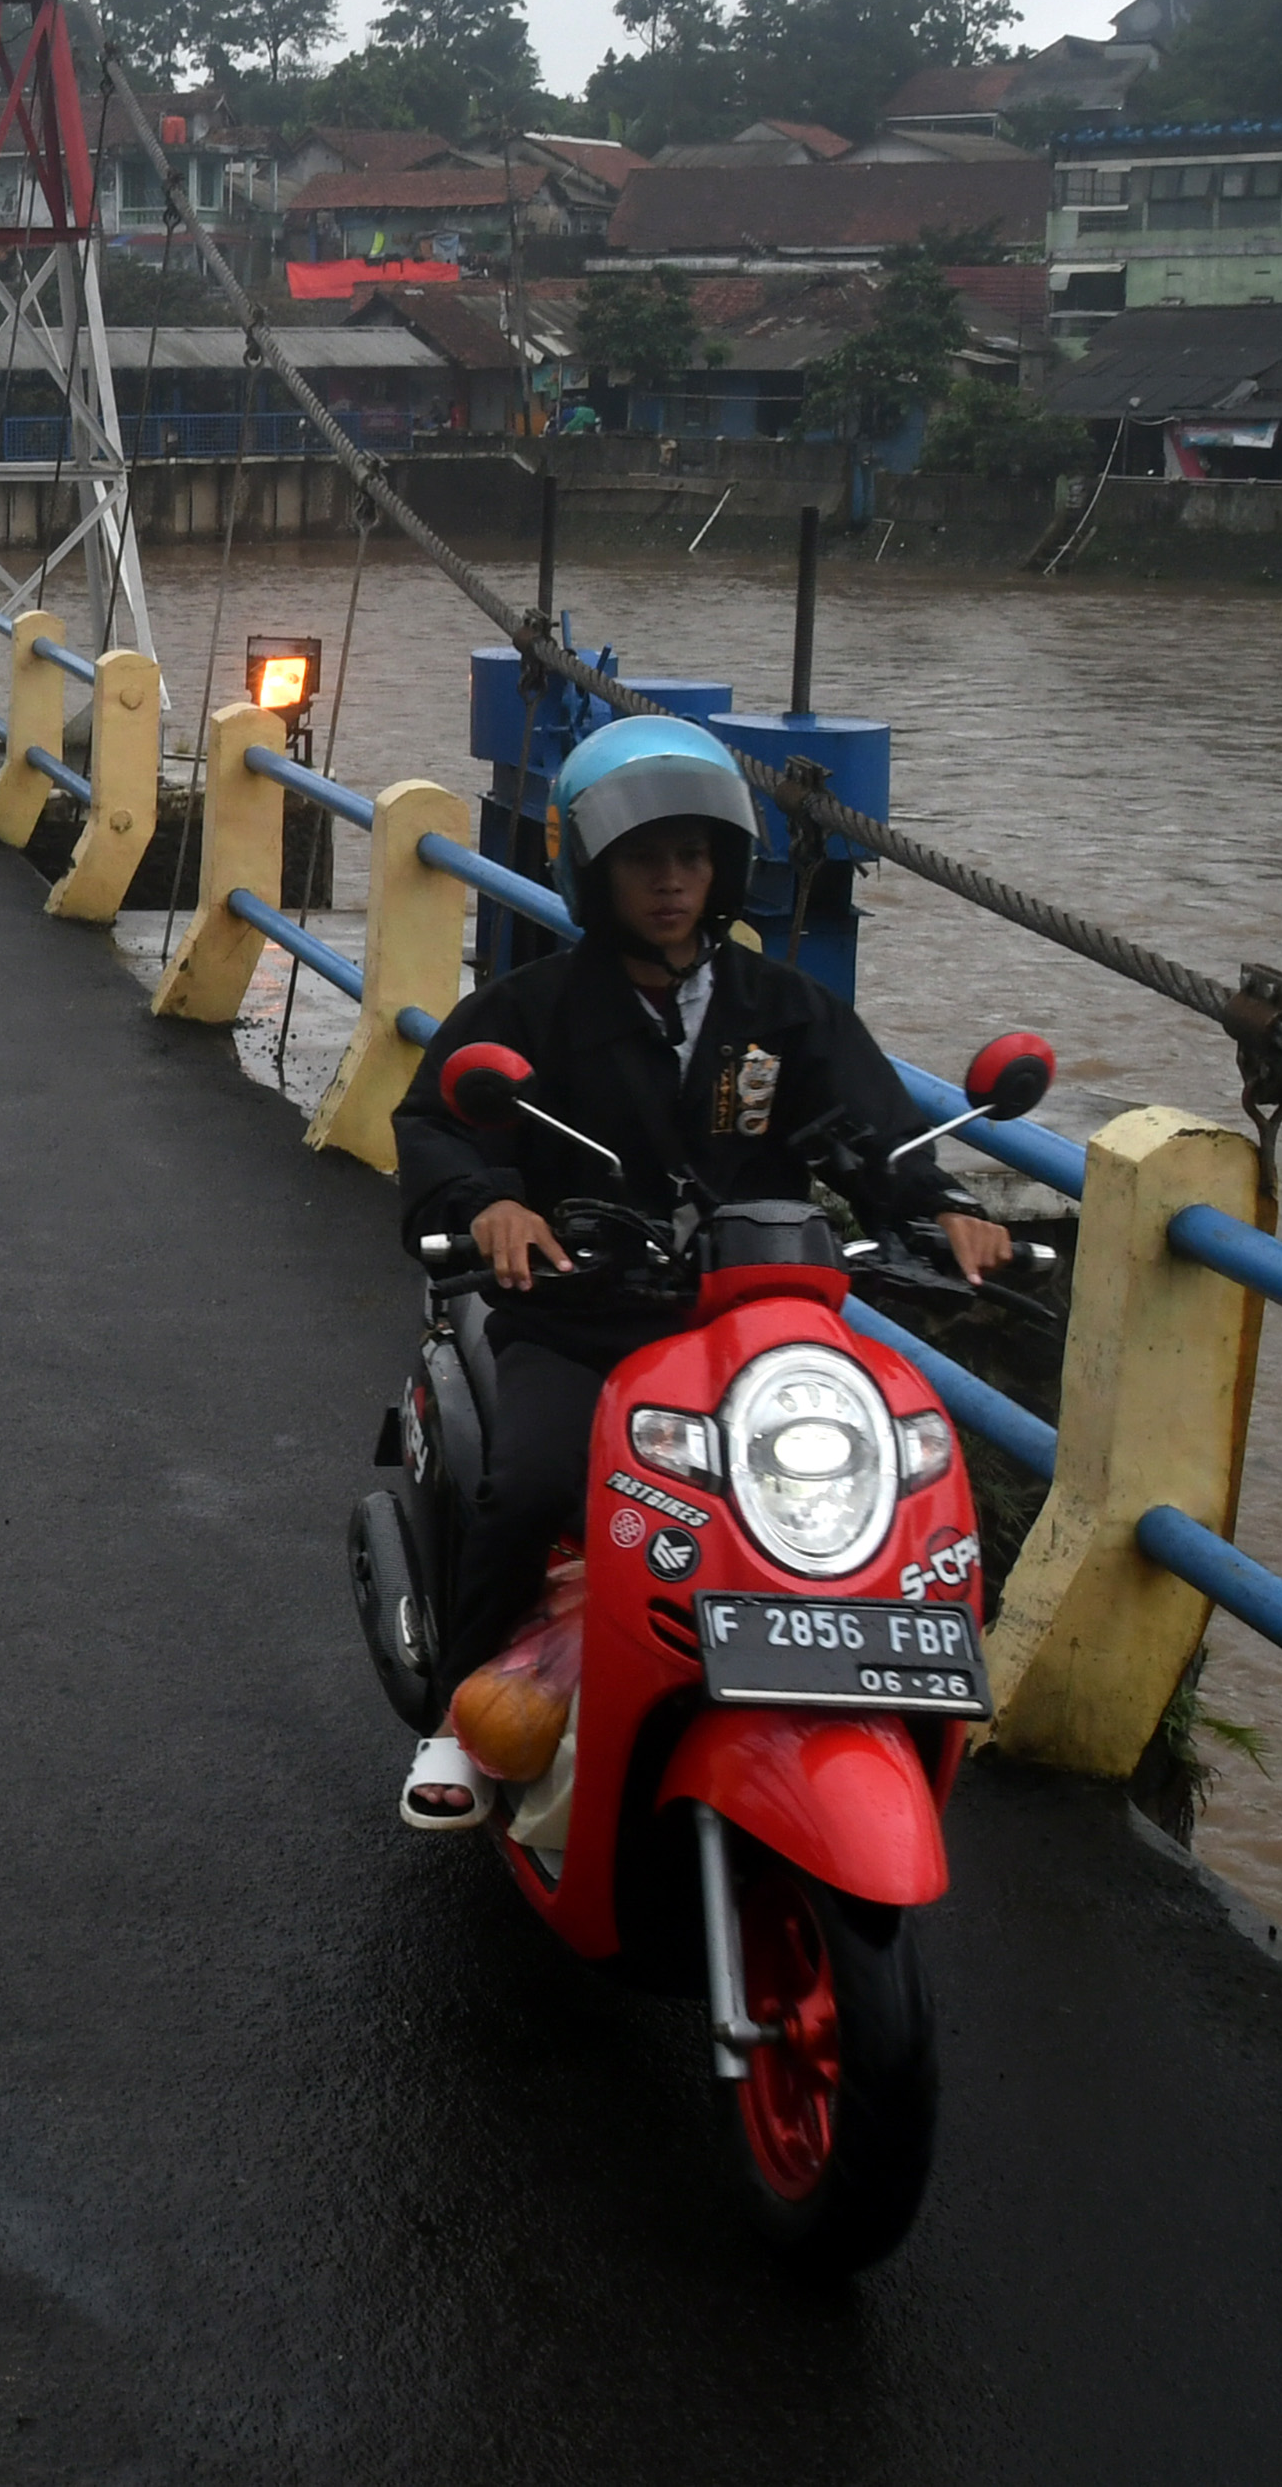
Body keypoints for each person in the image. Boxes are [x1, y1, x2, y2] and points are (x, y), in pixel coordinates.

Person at [383, 716, 1010, 1829]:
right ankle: (460, 1717)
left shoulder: (782, 1011)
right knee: (532, 1486)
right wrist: (492, 1205)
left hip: (755, 1328)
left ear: (724, 869)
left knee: (880, 1490)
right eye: (642, 861)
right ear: (592, 870)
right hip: (581, 1316)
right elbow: (439, 1122)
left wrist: (941, 1206)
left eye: (691, 857)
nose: (671, 883)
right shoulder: (529, 1012)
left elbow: (868, 1129)